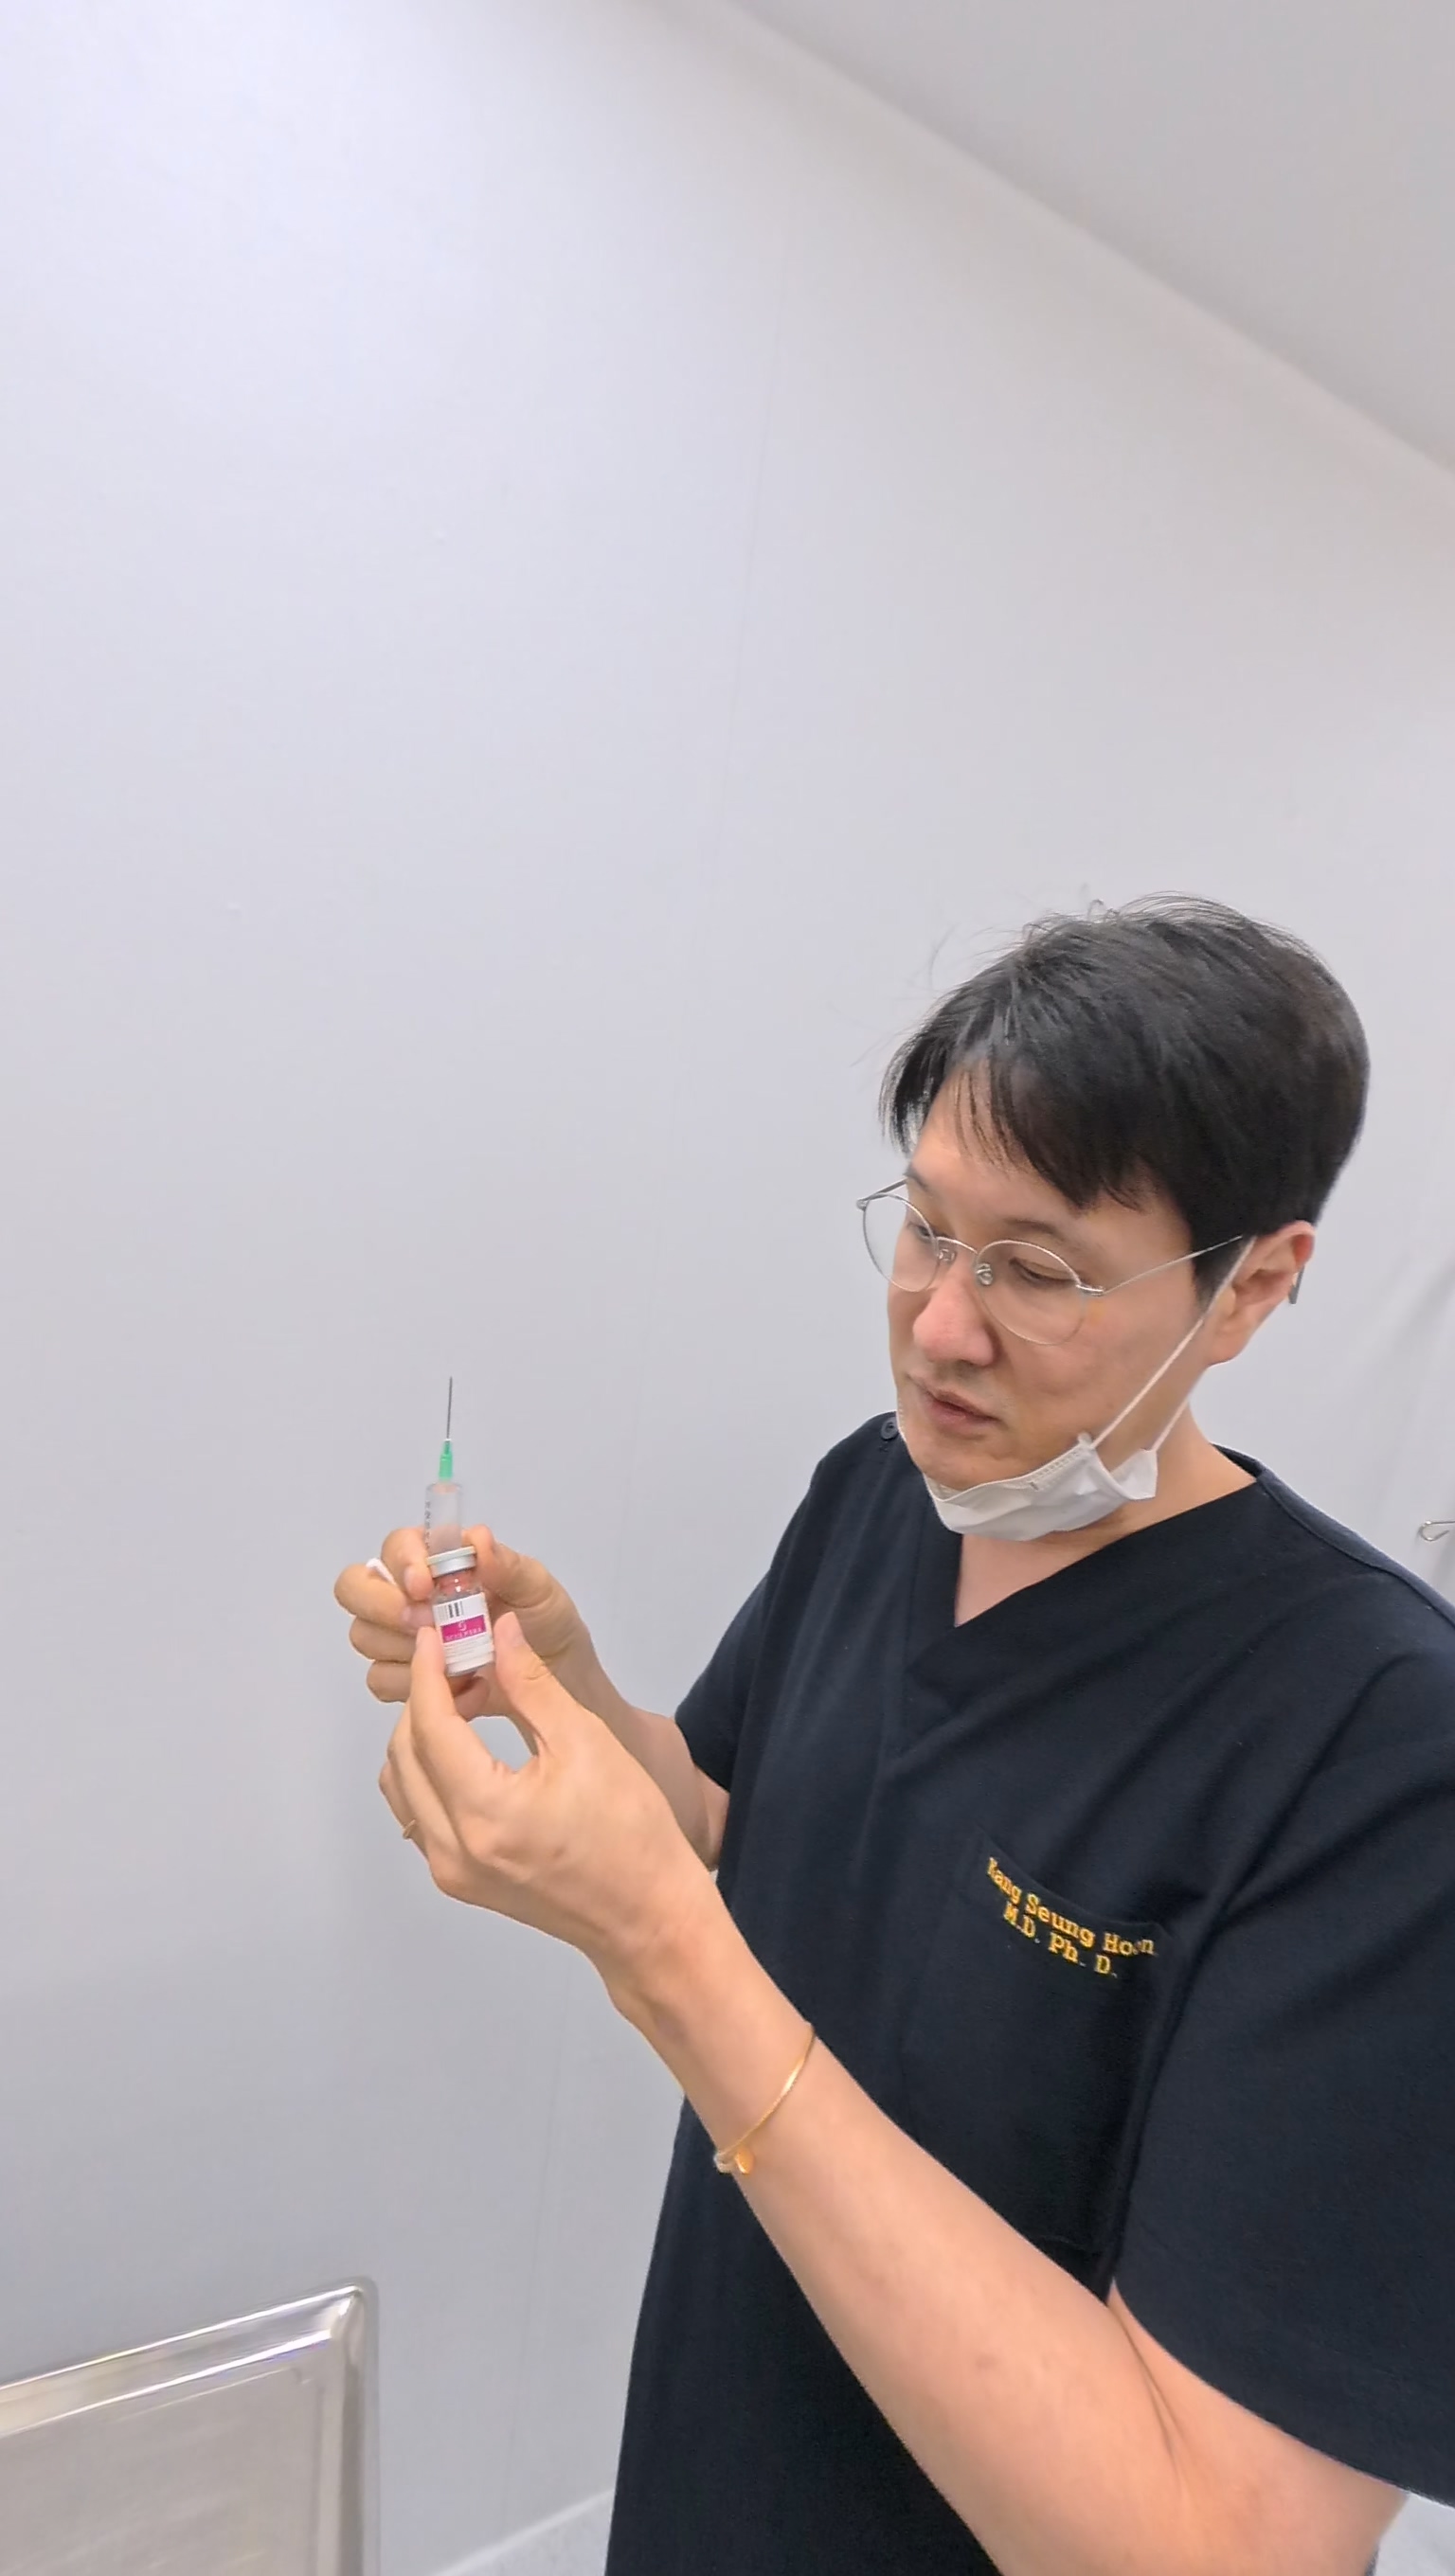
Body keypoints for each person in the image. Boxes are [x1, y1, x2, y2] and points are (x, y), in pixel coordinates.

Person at [335, 898, 1455, 2576]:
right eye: (927, 1231)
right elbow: (745, 1828)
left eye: (1040, 1271)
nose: (939, 1327)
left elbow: (1219, 2544)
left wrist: (659, 1952)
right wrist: (579, 1707)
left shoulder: (1375, 1749)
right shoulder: (880, 1492)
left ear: (1253, 1287)